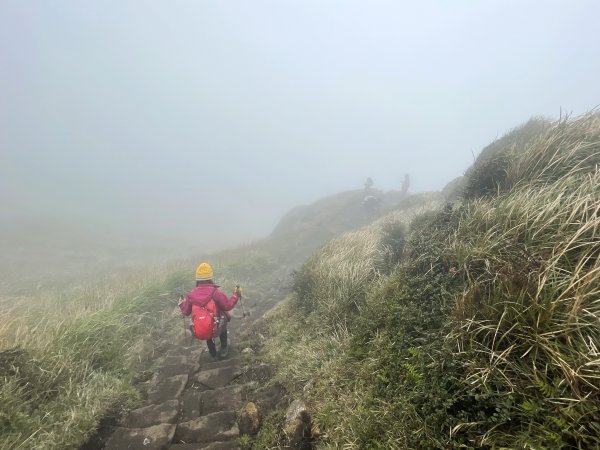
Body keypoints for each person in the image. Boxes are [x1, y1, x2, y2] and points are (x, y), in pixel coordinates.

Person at [179, 262, 241, 359]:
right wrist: (235, 295)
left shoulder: (191, 295)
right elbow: (227, 306)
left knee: (208, 330)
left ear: (197, 279)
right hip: (217, 326)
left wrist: (181, 303)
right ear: (211, 278)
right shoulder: (215, 292)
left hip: (201, 328)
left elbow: (186, 312)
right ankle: (224, 348)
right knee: (222, 320)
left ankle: (213, 355)